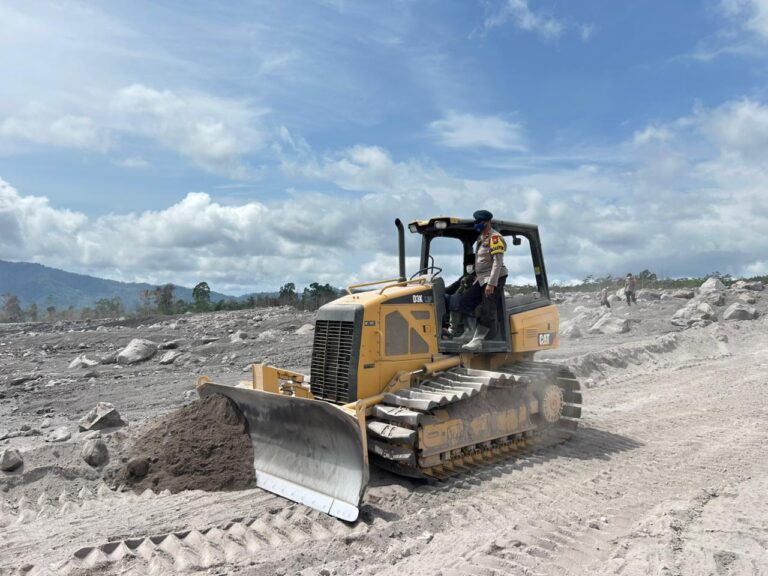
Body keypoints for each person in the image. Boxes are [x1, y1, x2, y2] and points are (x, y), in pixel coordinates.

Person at [458, 209, 508, 351]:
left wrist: (491, 283)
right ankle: (469, 332)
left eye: (478, 222)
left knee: (488, 308)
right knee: (465, 301)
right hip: (481, 277)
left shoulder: (495, 238)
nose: (476, 224)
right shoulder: (481, 237)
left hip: (495, 276)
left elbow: (497, 263)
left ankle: (478, 340)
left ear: (487, 222)